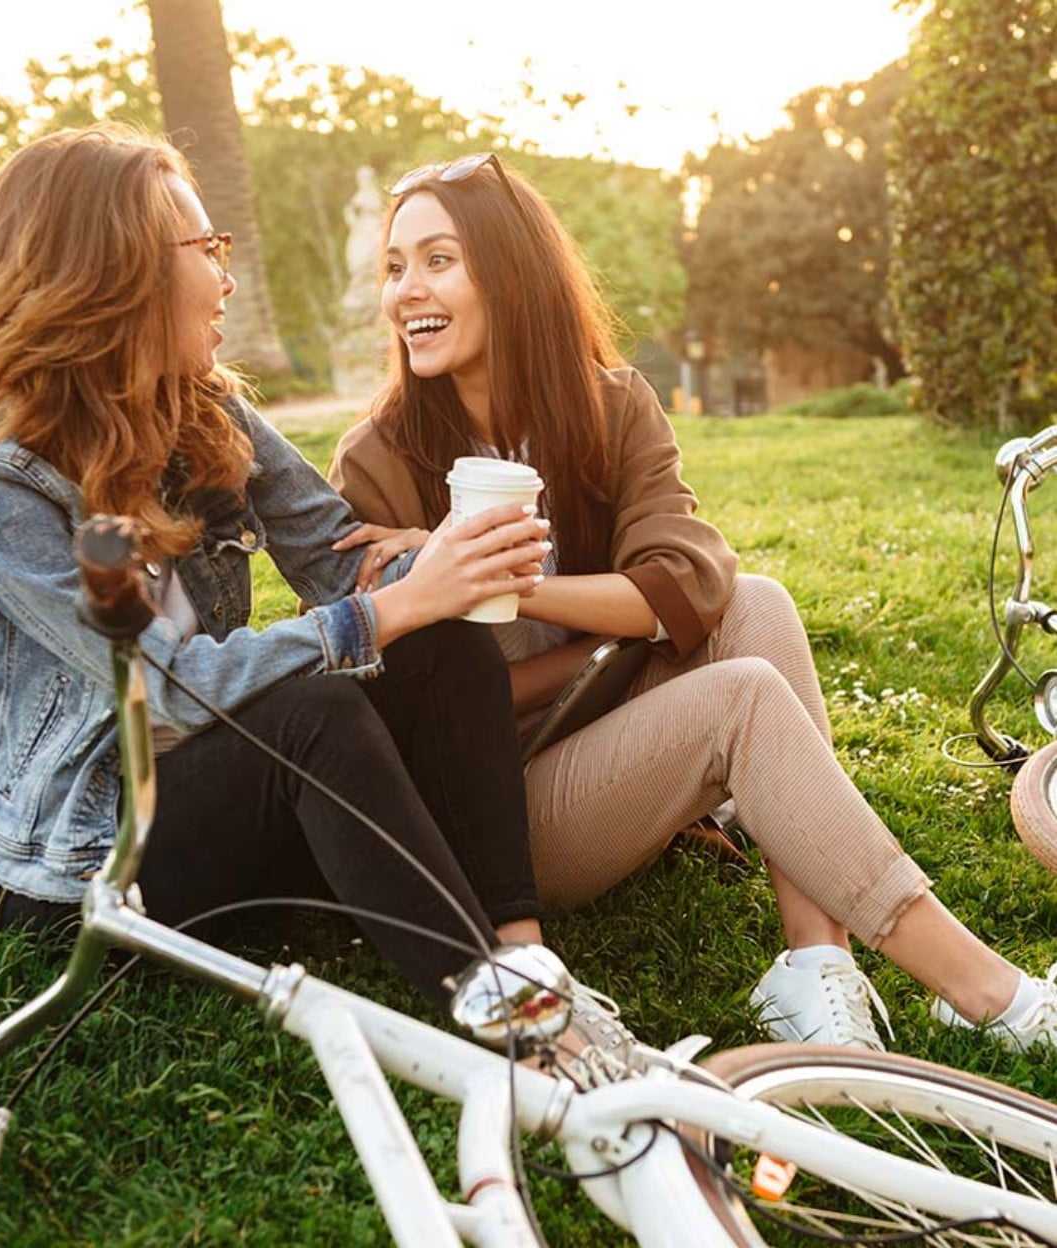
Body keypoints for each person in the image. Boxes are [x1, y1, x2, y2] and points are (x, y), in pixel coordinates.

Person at [0, 124, 632, 1084]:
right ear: (115, 271)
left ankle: (523, 947)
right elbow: (168, 689)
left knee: (446, 644)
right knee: (314, 707)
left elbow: (338, 560)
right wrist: (387, 612)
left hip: (223, 807)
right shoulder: (0, 481)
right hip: (90, 856)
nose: (227, 279)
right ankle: (509, 1020)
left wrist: (438, 566)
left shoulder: (203, 406)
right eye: (206, 252)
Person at [328, 152, 1057, 1052]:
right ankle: (994, 995)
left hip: (593, 720)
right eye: (395, 267)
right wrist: (613, 640)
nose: (408, 290)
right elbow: (401, 707)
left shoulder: (609, 405)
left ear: (509, 274)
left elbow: (693, 576)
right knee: (740, 692)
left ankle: (814, 966)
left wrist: (513, 583)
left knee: (758, 604)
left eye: (438, 260)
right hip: (498, 815)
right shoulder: (379, 460)